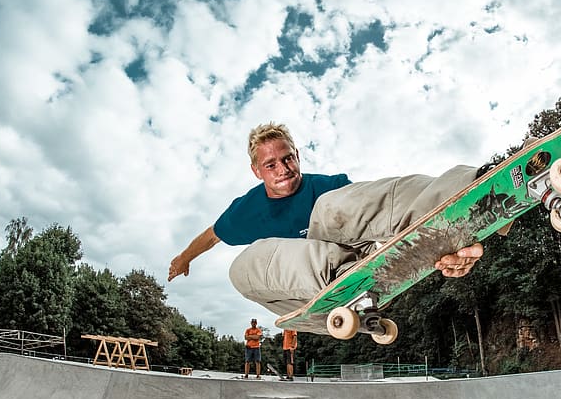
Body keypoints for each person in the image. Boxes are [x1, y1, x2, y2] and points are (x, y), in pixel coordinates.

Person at [168, 123, 484, 316]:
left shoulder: (327, 186)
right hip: (311, 295)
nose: (283, 170)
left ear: (297, 155)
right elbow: (212, 235)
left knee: (330, 205)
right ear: (256, 171)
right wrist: (183, 257)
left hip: (357, 258)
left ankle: (468, 189)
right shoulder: (245, 209)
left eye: (287, 158)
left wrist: (439, 247)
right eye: (270, 165)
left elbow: (374, 213)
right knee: (242, 267)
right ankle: (343, 284)